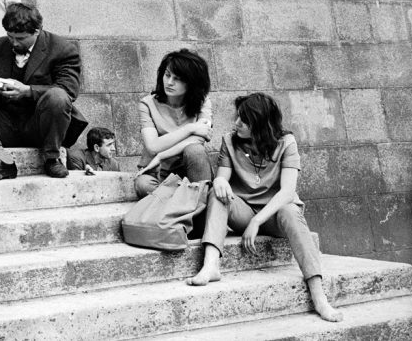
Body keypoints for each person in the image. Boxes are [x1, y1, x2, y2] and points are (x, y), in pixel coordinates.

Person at [186, 93, 343, 323]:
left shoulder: (286, 143)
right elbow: (222, 178)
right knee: (218, 194)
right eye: (237, 117)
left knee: (290, 210)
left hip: (274, 217)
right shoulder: (230, 141)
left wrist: (257, 221)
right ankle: (211, 266)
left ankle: (319, 297)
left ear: (260, 124)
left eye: (244, 120)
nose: (236, 123)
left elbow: (287, 192)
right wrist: (219, 182)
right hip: (243, 212)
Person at [0, 3, 87, 181]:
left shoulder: (63, 49)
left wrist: (28, 91)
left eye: (21, 38)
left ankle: (52, 158)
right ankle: (2, 159)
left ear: (37, 30)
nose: (14, 43)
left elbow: (69, 91)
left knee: (58, 96)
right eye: (10, 36)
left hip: (40, 127)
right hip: (5, 123)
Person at [134, 49, 214, 198]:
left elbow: (199, 139)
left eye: (178, 79)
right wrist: (191, 128)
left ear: (192, 82)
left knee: (195, 150)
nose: (169, 82)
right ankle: (185, 200)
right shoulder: (147, 104)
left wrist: (162, 155)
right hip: (156, 172)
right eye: (167, 75)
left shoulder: (203, 102)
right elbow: (152, 147)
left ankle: (197, 205)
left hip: (190, 171)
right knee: (143, 185)